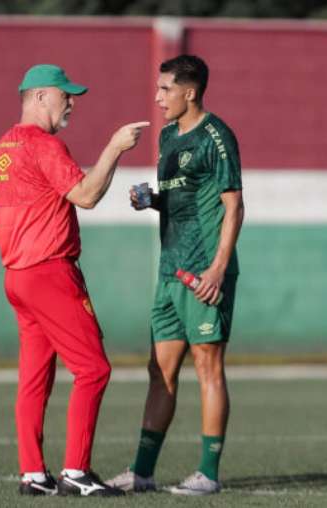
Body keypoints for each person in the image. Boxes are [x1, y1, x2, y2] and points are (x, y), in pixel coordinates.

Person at [0, 64, 148, 497]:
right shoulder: (44, 145)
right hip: (50, 273)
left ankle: (33, 475)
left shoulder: (5, 147)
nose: (72, 103)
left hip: (19, 278)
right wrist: (115, 148)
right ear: (40, 96)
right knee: (93, 369)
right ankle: (76, 471)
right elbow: (87, 196)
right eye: (66, 95)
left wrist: (7, 230)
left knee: (34, 378)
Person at [107, 55, 244, 496]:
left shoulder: (217, 136)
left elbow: (233, 206)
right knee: (159, 370)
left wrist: (218, 269)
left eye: (165, 89)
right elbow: (179, 193)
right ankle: (142, 472)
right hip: (169, 272)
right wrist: (150, 198)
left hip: (204, 273)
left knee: (208, 366)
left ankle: (208, 473)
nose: (157, 97)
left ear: (190, 92)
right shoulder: (167, 136)